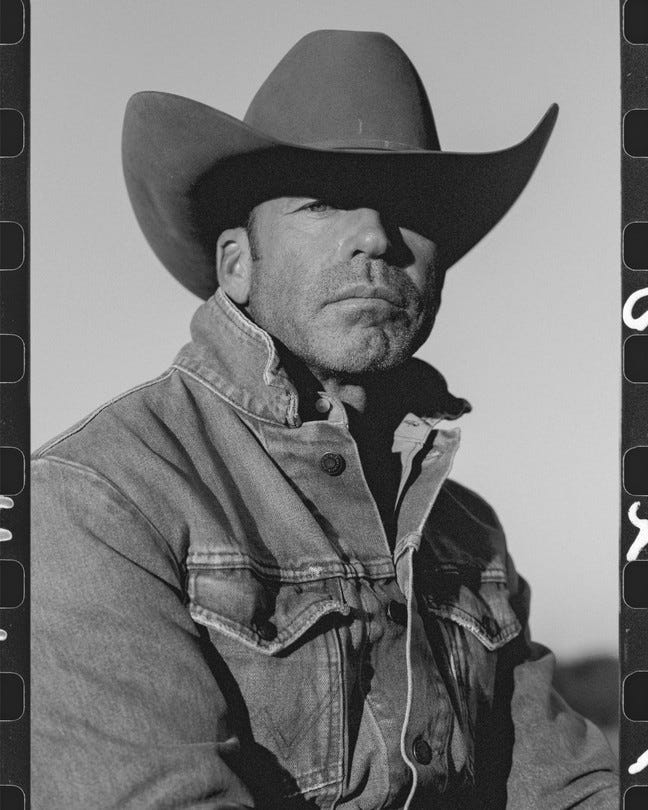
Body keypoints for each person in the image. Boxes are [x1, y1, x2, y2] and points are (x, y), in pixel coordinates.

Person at [32, 29, 618, 809]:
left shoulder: (464, 533)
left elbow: (569, 787)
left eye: (408, 208)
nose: (377, 236)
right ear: (237, 264)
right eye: (324, 201)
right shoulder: (101, 498)